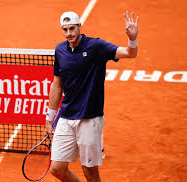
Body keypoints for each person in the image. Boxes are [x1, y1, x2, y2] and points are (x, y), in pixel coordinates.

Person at [45, 11, 139, 182]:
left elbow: (129, 53)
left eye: (72, 28)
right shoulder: (59, 50)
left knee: (90, 171)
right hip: (66, 117)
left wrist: (132, 38)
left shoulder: (96, 47)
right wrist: (49, 118)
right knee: (56, 169)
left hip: (89, 118)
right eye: (65, 30)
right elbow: (57, 85)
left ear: (80, 26)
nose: (69, 33)